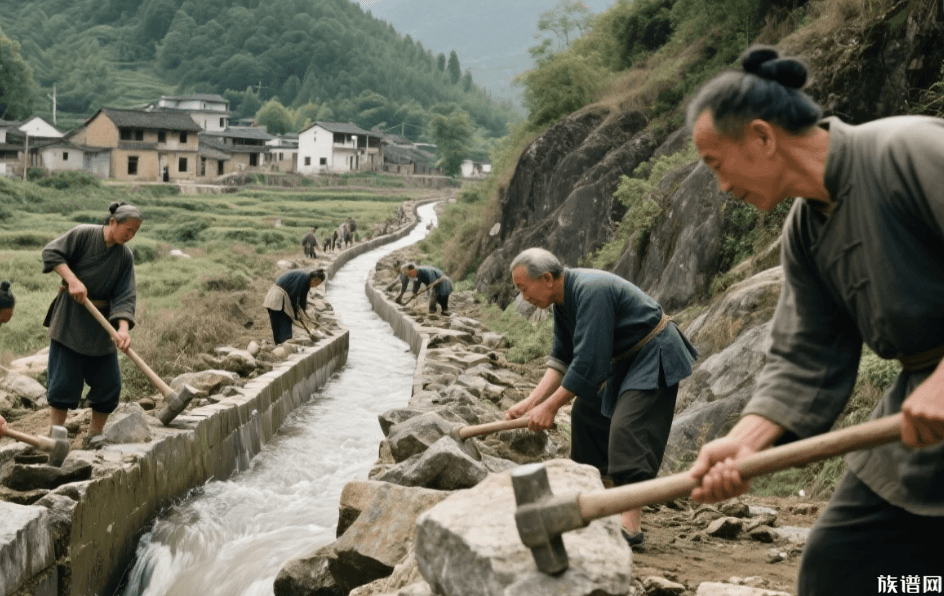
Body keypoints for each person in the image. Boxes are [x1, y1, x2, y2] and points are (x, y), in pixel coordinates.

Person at [686, 45, 944, 595]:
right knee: (842, 568)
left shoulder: (910, 150)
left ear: (761, 137)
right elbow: (807, 354)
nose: (722, 186)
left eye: (715, 164)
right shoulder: (805, 232)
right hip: (920, 406)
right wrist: (747, 441)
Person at [504, 248, 698, 547]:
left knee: (628, 428)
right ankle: (606, 503)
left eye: (522, 288)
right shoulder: (562, 303)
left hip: (652, 352)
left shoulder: (591, 290)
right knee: (586, 415)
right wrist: (531, 403)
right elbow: (562, 359)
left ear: (546, 279)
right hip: (623, 361)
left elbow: (588, 363)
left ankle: (630, 524)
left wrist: (551, 407)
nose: (523, 296)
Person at [42, 201, 143, 449]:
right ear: (112, 223)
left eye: (134, 233)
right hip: (70, 321)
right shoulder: (83, 234)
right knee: (63, 384)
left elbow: (125, 295)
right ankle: (56, 436)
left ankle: (94, 434)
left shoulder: (124, 257)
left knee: (109, 384)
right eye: (127, 230)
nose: (130, 236)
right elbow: (51, 253)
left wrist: (122, 329)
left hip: (101, 327)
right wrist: (72, 280)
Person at [263, 268, 325, 345]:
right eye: (316, 283)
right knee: (283, 322)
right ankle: (283, 345)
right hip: (278, 298)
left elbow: (302, 300)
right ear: (314, 279)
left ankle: (279, 345)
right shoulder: (303, 278)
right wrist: (295, 314)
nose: (315, 286)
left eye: (317, 285)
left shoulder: (306, 279)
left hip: (278, 298)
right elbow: (294, 296)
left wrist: (302, 315)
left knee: (279, 324)